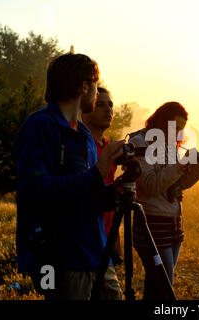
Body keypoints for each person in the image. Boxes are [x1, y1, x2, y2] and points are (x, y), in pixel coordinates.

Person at [15, 52, 125, 300]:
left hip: (97, 255)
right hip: (62, 260)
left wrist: (115, 192)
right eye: (95, 87)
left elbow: (87, 194)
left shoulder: (85, 135)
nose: (98, 94)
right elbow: (34, 191)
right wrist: (98, 172)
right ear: (83, 86)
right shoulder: (41, 127)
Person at [128, 101, 199, 299]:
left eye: (181, 129)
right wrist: (180, 166)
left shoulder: (171, 146)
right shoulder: (140, 142)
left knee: (156, 286)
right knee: (165, 287)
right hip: (151, 223)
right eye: (174, 127)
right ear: (161, 121)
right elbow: (150, 184)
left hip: (173, 223)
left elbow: (180, 184)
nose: (177, 133)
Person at [81, 86, 123, 265]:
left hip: (105, 235)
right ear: (87, 109)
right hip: (85, 239)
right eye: (100, 105)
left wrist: (115, 242)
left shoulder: (109, 147)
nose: (108, 110)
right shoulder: (80, 146)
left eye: (111, 105)